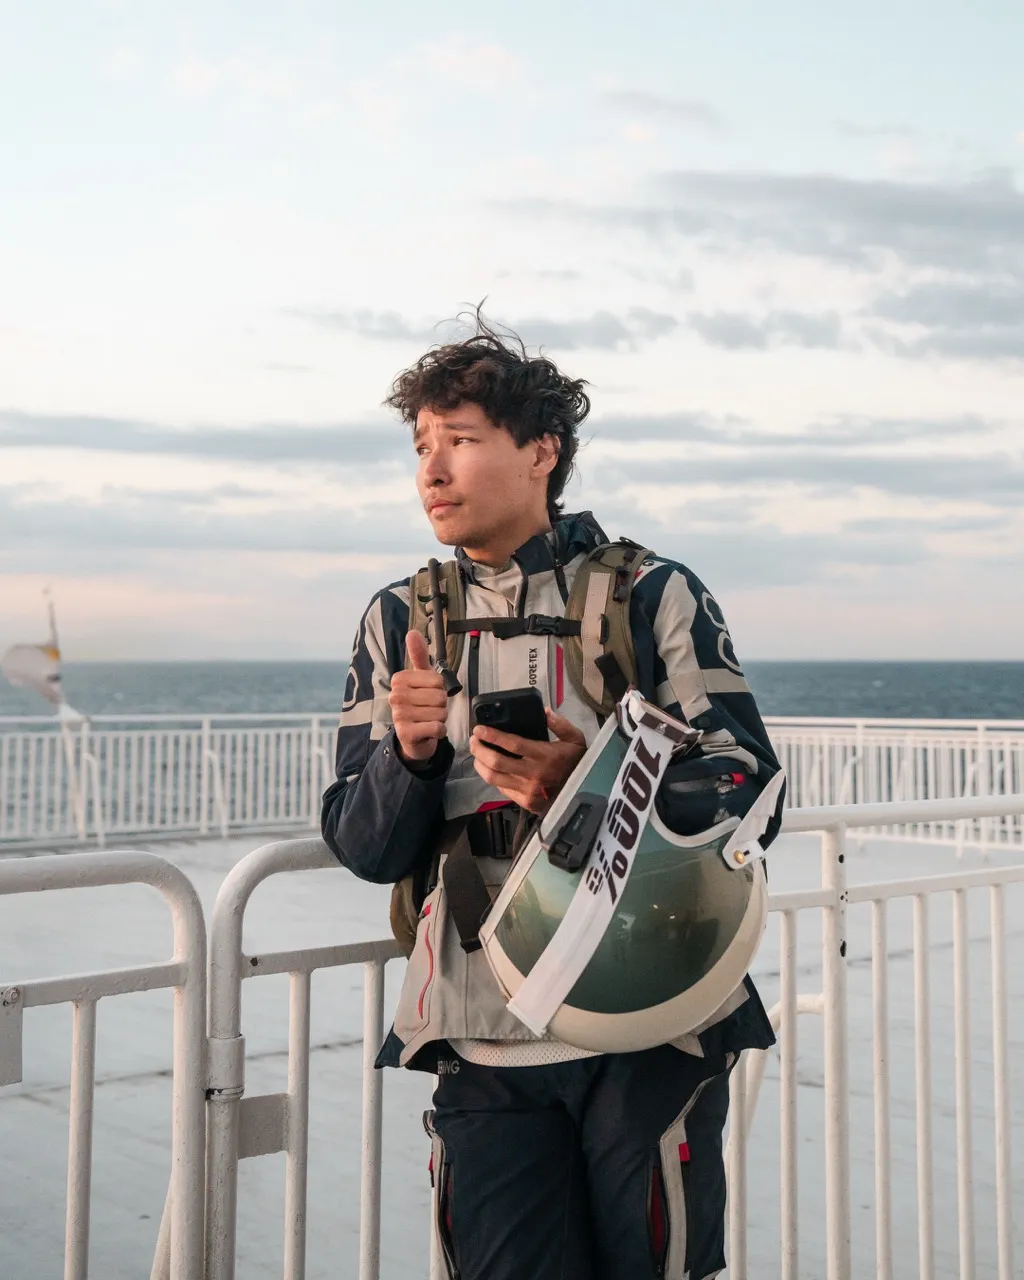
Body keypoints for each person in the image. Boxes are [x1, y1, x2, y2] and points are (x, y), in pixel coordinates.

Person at [321, 317, 783, 1280]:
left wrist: (584, 782)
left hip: (650, 1013)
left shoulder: (653, 594)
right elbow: (364, 848)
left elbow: (750, 788)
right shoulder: (399, 620)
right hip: (478, 1031)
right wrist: (407, 755)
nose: (432, 470)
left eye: (461, 440)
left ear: (542, 452)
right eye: (421, 447)